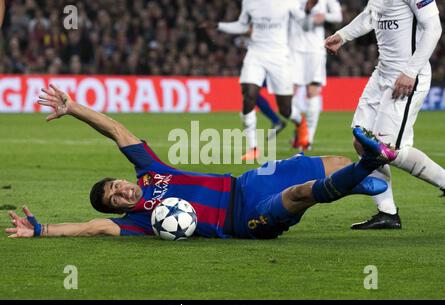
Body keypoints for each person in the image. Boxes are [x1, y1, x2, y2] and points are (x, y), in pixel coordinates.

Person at [5, 85, 397, 239]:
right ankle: (361, 173)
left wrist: (74, 108)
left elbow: (116, 131)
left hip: (245, 182)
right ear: (118, 209)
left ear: (121, 179)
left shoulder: (150, 171)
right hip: (245, 219)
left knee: (333, 161)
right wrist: (41, 230)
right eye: (115, 200)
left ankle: (354, 177)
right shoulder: (137, 221)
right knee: (299, 195)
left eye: (115, 186)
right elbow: (90, 227)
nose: (121, 193)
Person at [325, 0, 444, 229]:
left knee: (385, 149)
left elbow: (434, 27)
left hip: (407, 77)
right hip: (382, 74)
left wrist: (410, 71)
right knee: (362, 142)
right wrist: (343, 35)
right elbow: (372, 15)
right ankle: (387, 213)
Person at [201, 0, 306, 161]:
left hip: (279, 56)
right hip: (255, 53)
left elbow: (303, 21)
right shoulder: (249, 2)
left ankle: (300, 122)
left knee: (285, 109)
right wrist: (218, 25)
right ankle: (253, 148)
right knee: (249, 94)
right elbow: (243, 25)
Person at [290, 0, 343, 151]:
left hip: (314, 50)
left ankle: (307, 139)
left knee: (312, 92)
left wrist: (324, 16)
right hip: (293, 48)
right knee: (288, 92)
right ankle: (300, 125)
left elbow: (338, 16)